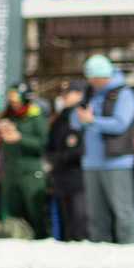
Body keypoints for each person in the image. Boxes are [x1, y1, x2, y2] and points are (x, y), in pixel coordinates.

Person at [76, 55, 134, 244]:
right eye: (91, 79)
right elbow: (76, 120)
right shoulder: (90, 93)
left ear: (106, 76)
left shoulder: (124, 94)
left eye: (96, 79)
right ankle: (99, 245)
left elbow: (120, 124)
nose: (93, 83)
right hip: (91, 162)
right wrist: (80, 116)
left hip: (117, 161)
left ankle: (130, 244)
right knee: (95, 211)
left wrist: (93, 121)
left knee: (123, 209)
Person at [0, 90, 50, 239]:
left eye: (17, 100)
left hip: (31, 172)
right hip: (12, 171)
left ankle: (41, 240)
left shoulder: (36, 119)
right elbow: (5, 148)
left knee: (35, 212)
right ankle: (15, 238)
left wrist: (19, 138)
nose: (14, 104)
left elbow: (42, 145)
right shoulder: (11, 118)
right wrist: (2, 137)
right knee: (11, 212)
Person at [44, 83, 90, 241]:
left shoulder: (83, 115)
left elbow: (83, 148)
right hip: (61, 175)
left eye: (68, 92)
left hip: (78, 176)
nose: (63, 96)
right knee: (65, 221)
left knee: (79, 219)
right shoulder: (59, 118)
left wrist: (63, 157)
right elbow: (50, 144)